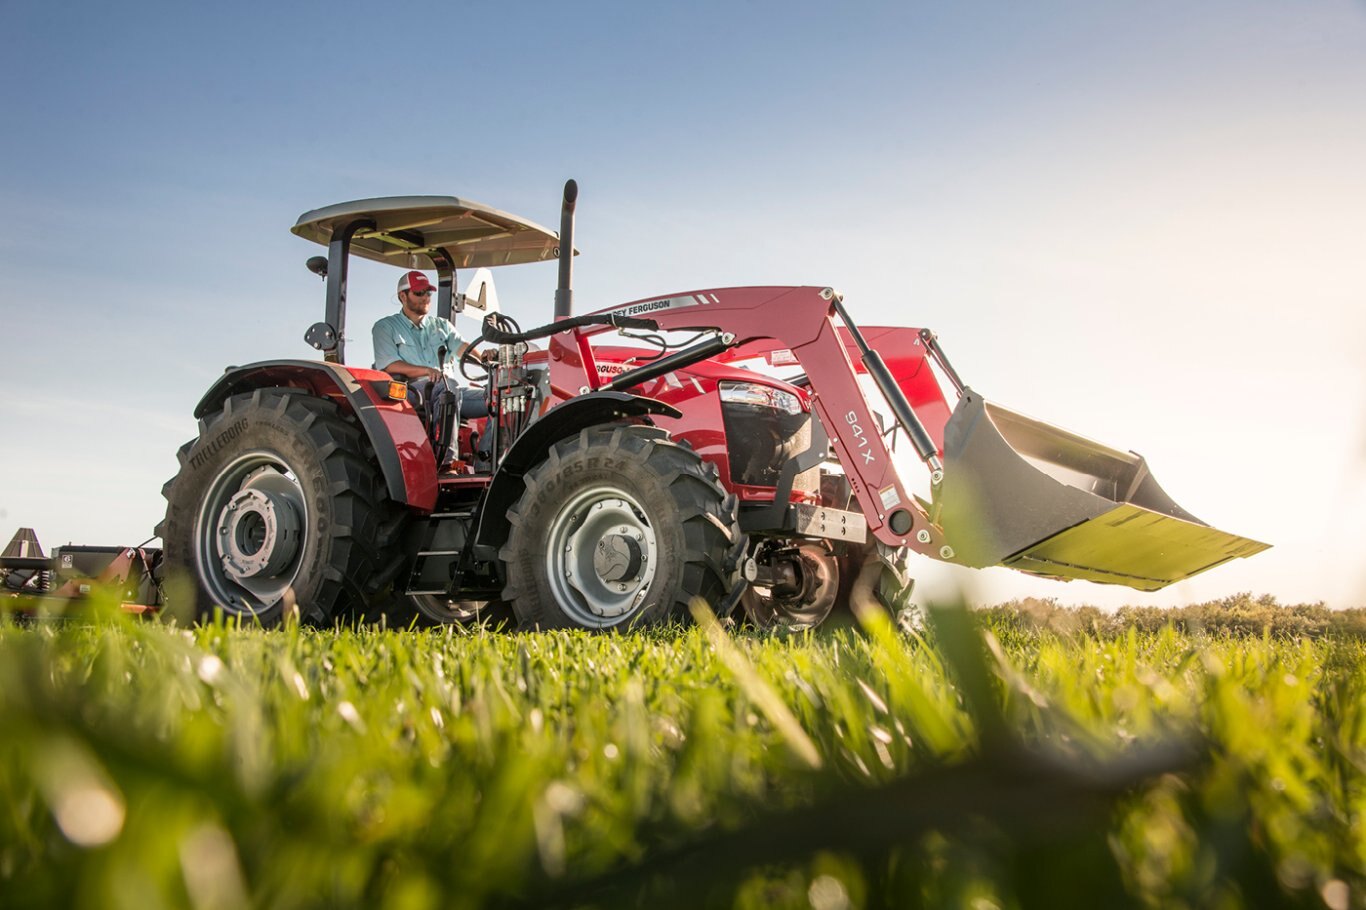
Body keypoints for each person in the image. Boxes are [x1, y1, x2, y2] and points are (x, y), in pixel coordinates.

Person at [372, 270, 489, 422]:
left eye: (428, 293)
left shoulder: (442, 325)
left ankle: (487, 446)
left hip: (449, 390)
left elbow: (463, 348)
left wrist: (484, 359)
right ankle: (447, 446)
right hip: (412, 391)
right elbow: (390, 365)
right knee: (446, 387)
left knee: (496, 398)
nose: (426, 297)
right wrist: (427, 371)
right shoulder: (386, 327)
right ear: (403, 296)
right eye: (419, 293)